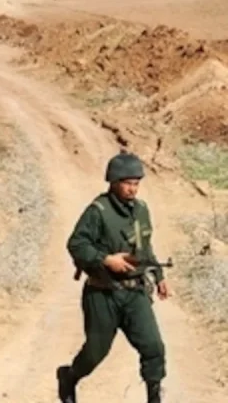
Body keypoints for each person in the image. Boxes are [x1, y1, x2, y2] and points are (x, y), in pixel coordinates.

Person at [57, 152, 170, 403]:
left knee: (153, 347)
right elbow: (76, 244)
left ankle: (154, 397)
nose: (133, 189)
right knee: (95, 352)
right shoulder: (98, 211)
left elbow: (144, 247)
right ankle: (69, 377)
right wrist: (106, 259)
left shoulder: (141, 209)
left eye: (136, 183)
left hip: (135, 292)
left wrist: (159, 276)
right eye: (127, 183)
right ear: (113, 182)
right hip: (103, 293)